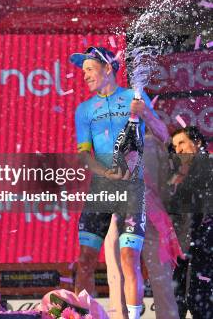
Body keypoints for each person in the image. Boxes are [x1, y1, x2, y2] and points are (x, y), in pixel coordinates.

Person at [69, 46, 168, 319]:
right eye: (83, 71)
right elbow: (84, 156)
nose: (85, 75)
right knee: (85, 260)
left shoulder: (133, 96)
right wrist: (106, 172)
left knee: (128, 259)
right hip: (101, 187)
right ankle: (81, 315)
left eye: (90, 69)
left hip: (132, 190)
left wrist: (146, 114)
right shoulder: (84, 110)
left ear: (108, 69)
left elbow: (164, 135)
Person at [104, 128, 183, 319]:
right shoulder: (110, 138)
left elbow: (164, 185)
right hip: (124, 214)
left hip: (145, 213)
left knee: (153, 276)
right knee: (122, 275)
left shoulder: (150, 143)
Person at [169, 126, 212, 318]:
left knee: (198, 306)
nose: (177, 149)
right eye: (174, 146)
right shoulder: (182, 175)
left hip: (201, 253)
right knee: (179, 305)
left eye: (181, 143)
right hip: (184, 253)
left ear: (198, 143)